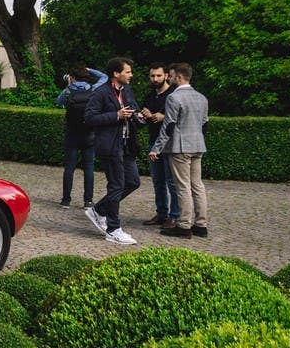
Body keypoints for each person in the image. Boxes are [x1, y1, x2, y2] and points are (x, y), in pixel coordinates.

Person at [84, 57, 143, 245]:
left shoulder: (127, 90)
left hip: (126, 145)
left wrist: (139, 115)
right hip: (109, 145)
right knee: (116, 185)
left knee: (133, 182)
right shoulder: (100, 93)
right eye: (128, 72)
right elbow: (90, 118)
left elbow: (133, 108)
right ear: (116, 74)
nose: (131, 75)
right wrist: (116, 116)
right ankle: (113, 229)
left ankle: (99, 209)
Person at [150, 63, 209, 238]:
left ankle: (183, 226)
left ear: (180, 77)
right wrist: (198, 140)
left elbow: (169, 126)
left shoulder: (174, 98)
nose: (169, 78)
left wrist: (156, 148)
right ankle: (201, 225)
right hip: (198, 146)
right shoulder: (202, 97)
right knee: (197, 186)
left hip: (180, 148)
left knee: (182, 187)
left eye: (172, 75)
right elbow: (205, 124)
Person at [55, 66, 108, 208]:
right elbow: (105, 77)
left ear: (72, 77)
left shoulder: (67, 91)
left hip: (72, 134)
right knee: (89, 168)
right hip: (89, 134)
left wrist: (69, 85)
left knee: (69, 168)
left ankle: (66, 200)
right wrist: (90, 69)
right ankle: (88, 201)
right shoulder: (94, 89)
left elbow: (58, 102)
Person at [141, 61, 181, 229]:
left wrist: (163, 117)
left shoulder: (174, 94)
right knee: (158, 180)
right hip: (153, 140)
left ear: (166, 76)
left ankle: (175, 216)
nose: (155, 78)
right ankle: (161, 213)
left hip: (171, 143)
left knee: (172, 182)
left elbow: (183, 117)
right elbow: (145, 120)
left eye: (159, 75)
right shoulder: (149, 96)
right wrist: (145, 116)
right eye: (152, 75)